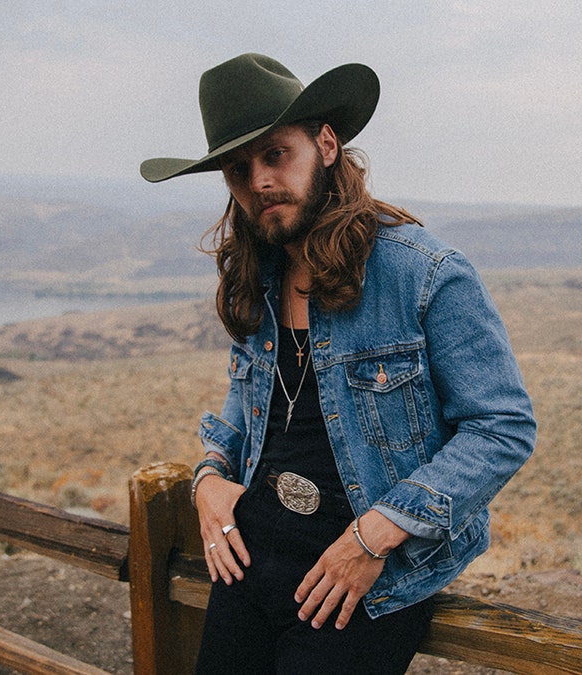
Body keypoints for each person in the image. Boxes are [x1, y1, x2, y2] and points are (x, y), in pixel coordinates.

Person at [141, 53, 537, 674]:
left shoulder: (424, 274)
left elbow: (502, 426)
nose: (260, 182)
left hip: (358, 582)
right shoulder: (259, 275)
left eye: (276, 155)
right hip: (249, 565)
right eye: (239, 169)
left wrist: (374, 536)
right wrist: (210, 478)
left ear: (326, 144)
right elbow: (245, 411)